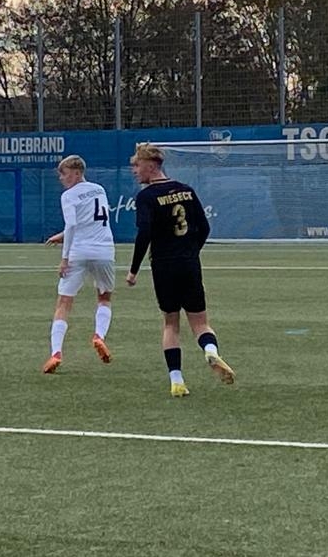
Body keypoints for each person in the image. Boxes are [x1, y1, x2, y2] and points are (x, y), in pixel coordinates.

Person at [125, 143, 235, 397]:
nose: (134, 170)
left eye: (137, 165)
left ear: (150, 166)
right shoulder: (186, 190)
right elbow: (204, 227)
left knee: (171, 324)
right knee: (201, 323)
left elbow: (144, 233)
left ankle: (177, 381)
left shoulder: (147, 197)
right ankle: (210, 351)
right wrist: (191, 252)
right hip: (189, 263)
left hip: (164, 265)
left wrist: (133, 270)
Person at [41, 155, 115, 374]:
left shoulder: (69, 195)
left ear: (76, 172)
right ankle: (99, 336)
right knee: (104, 297)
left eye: (63, 174)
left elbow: (73, 224)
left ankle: (56, 353)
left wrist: (64, 258)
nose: (61, 178)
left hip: (79, 251)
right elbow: (90, 221)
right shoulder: (99, 189)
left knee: (64, 303)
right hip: (104, 250)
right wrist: (62, 235)